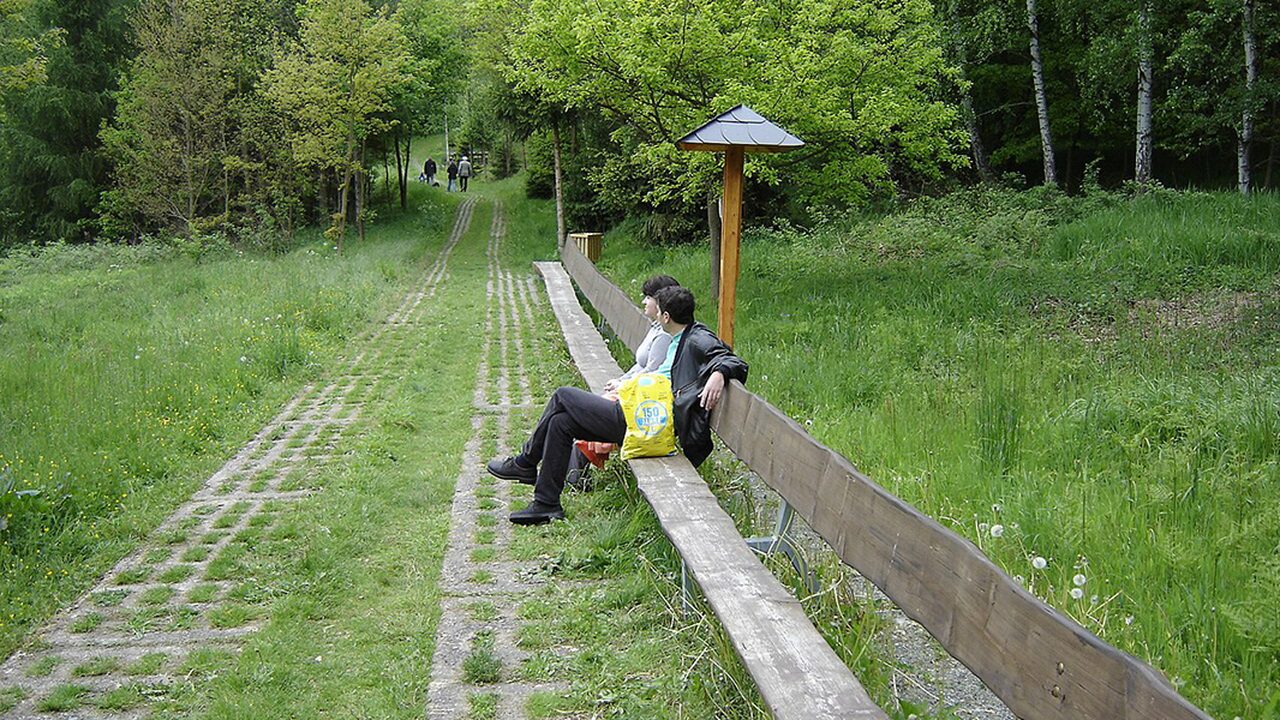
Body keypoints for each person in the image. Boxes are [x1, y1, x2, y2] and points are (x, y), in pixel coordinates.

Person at [487, 286, 748, 525]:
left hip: (644, 422)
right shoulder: (679, 335)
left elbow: (731, 359)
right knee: (560, 423)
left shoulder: (695, 338)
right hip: (640, 413)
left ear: (666, 316)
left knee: (562, 395)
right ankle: (546, 504)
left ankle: (524, 462)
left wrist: (719, 373)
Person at [565, 274, 680, 488]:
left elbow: (652, 373)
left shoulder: (664, 336)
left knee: (598, 408)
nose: (644, 302)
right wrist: (621, 379)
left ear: (661, 302)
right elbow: (641, 366)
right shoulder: (656, 329)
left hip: (648, 398)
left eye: (648, 297)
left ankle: (574, 475)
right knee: (597, 405)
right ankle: (574, 473)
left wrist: (624, 385)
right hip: (639, 389)